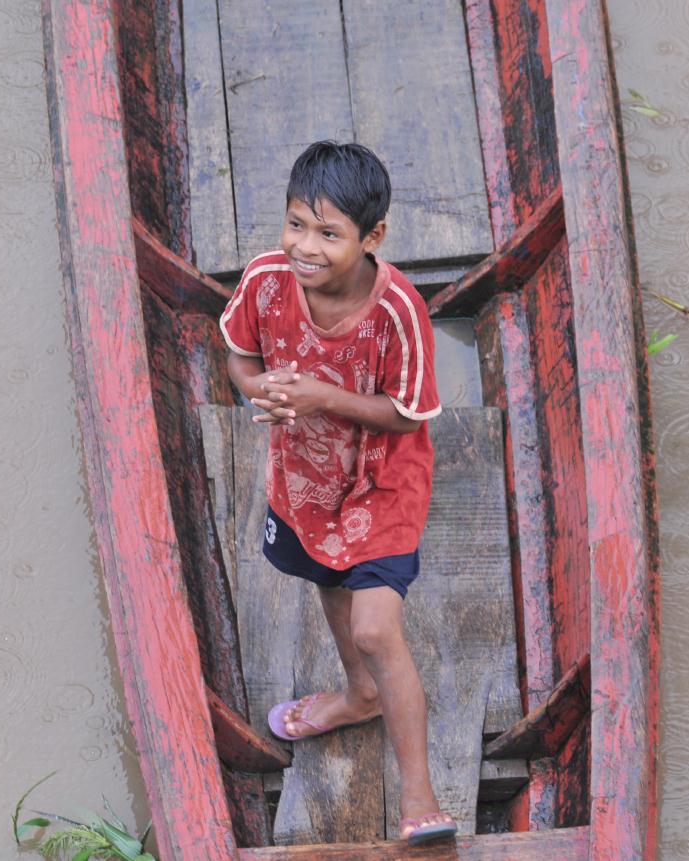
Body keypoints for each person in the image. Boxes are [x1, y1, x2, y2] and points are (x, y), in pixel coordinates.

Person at [219, 140, 456, 846]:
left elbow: (407, 412)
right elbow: (239, 353)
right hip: (307, 476)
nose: (306, 247)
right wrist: (259, 390)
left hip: (383, 479)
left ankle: (421, 797)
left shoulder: (398, 312)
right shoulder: (265, 279)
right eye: (296, 225)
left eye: (329, 234)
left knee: (376, 626)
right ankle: (359, 694)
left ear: (372, 237)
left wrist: (323, 393)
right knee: (326, 578)